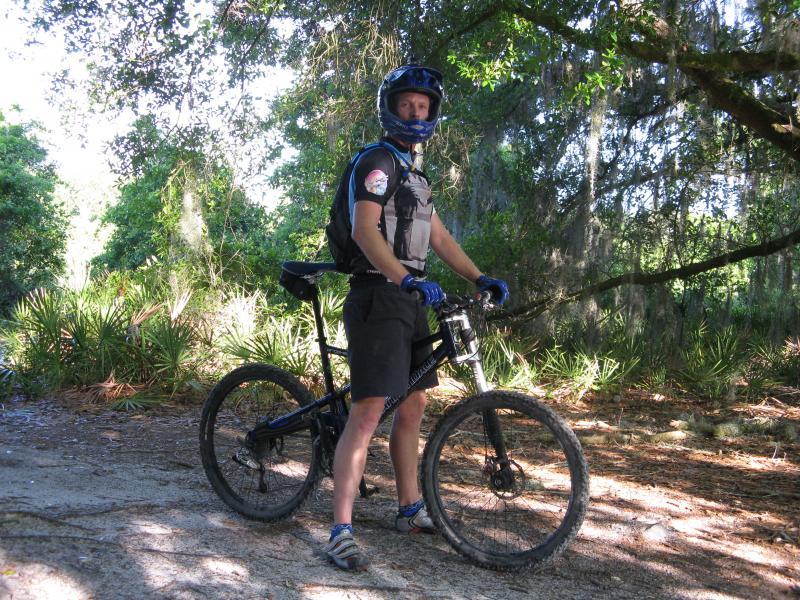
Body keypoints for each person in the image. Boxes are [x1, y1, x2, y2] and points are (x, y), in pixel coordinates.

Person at [323, 64, 510, 570]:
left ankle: (408, 508)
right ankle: (340, 529)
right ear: (391, 107)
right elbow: (366, 231)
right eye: (408, 104)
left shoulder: (416, 176)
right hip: (378, 296)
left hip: (409, 300)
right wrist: (404, 278)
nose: (416, 112)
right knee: (367, 412)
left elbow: (439, 239)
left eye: (423, 107)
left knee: (411, 407)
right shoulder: (377, 163)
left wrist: (478, 277)